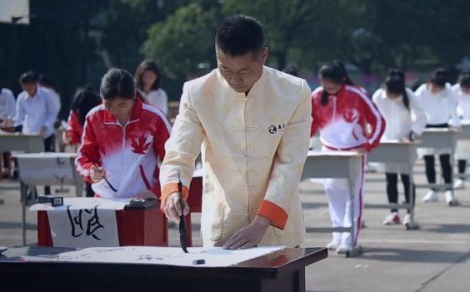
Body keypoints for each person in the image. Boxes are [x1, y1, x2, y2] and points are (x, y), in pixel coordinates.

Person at [161, 14, 312, 249]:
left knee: (279, 286)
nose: (235, 79)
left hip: (277, 228)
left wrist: (262, 222)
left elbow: (290, 164)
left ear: (264, 55)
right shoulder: (197, 93)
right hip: (224, 224)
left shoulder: (294, 92)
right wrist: (173, 191)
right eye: (225, 69)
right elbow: (180, 152)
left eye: (244, 71)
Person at [311, 60, 385, 252]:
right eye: (324, 83)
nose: (327, 87)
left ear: (342, 80)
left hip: (353, 152)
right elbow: (310, 124)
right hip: (329, 151)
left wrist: (368, 145)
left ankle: (350, 238)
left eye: (332, 84)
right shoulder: (317, 96)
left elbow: (378, 121)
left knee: (353, 195)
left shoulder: (357, 94)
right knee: (333, 193)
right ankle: (337, 236)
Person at [76, 69, 170, 199]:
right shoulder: (94, 117)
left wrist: (157, 190)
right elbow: (83, 157)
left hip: (143, 198)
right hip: (105, 198)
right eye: (108, 104)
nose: (114, 111)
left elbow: (173, 159)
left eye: (122, 105)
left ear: (133, 97)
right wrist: (91, 171)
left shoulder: (154, 118)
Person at [372, 70, 426, 225]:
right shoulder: (378, 96)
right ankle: (393, 212)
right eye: (390, 93)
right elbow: (373, 118)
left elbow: (421, 116)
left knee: (406, 177)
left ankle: (410, 213)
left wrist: (412, 133)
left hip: (404, 143)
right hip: (386, 141)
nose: (392, 97)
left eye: (395, 94)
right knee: (390, 177)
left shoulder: (409, 95)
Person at [7, 72, 60, 194]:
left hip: (45, 133)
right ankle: (31, 191)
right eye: (24, 86)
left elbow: (52, 113)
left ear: (34, 84)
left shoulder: (47, 95)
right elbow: (19, 116)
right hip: (29, 133)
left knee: (46, 162)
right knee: (29, 163)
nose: (26, 89)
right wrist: (11, 123)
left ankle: (47, 190)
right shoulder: (21, 97)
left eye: (29, 86)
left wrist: (45, 126)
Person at [415, 68, 460, 206]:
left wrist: (456, 124)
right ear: (430, 82)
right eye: (435, 87)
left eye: (439, 88)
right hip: (426, 128)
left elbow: (454, 109)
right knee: (428, 160)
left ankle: (448, 191)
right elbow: (415, 111)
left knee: (445, 160)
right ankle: (432, 190)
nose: (437, 90)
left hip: (443, 127)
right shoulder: (421, 91)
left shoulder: (448, 90)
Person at [64, 87, 102, 196]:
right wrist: (69, 137)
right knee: (90, 184)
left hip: (98, 154)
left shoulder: (99, 110)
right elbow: (72, 133)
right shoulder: (75, 112)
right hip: (87, 155)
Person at [0, 86, 15, 178]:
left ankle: (7, 168)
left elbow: (12, 110)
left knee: (6, 144)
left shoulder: (7, 93)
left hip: (6, 123)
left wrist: (8, 120)